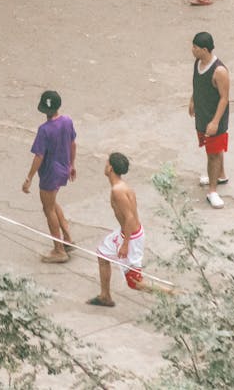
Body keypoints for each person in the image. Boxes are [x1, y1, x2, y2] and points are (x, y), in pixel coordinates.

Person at [88, 153, 169, 306]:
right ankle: (105, 295)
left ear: (110, 168)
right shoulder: (121, 187)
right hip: (126, 232)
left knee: (134, 282)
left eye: (106, 163)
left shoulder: (118, 191)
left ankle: (171, 294)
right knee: (102, 255)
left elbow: (130, 217)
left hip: (130, 236)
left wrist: (125, 244)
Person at [22, 90, 77, 263]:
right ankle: (67, 237)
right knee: (52, 203)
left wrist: (29, 177)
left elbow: (39, 156)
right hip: (62, 168)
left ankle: (59, 249)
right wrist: (72, 164)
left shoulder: (44, 130)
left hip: (49, 173)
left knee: (48, 209)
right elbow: (72, 143)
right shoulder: (67, 121)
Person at [189, 31, 230, 209]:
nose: (192, 50)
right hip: (202, 114)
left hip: (213, 119)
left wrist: (215, 122)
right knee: (212, 149)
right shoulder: (198, 63)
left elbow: (224, 98)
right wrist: (192, 100)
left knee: (213, 155)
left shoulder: (219, 71)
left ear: (204, 49)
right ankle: (221, 175)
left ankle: (213, 191)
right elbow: (197, 84)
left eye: (195, 47)